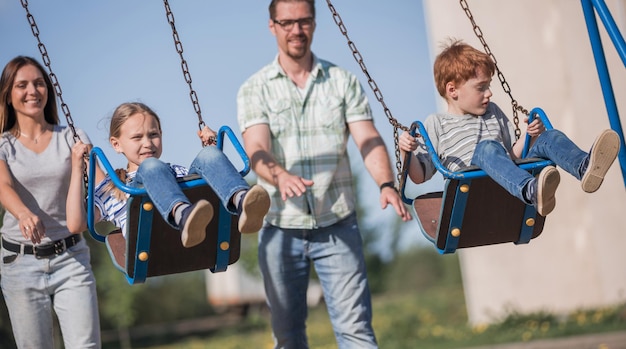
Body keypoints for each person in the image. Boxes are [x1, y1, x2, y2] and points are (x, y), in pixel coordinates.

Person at [237, 1, 412, 347]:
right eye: (287, 23)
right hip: (280, 227)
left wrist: (387, 183)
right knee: (287, 337)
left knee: (356, 330)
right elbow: (257, 151)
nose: (296, 30)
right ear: (272, 26)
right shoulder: (253, 88)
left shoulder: (343, 82)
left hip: (337, 224)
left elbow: (368, 139)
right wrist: (280, 177)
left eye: (303, 22)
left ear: (314, 24)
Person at [399, 39, 620, 216]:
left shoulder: (492, 112)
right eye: (481, 88)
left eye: (489, 86)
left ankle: (583, 166)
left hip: (507, 181)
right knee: (486, 148)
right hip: (472, 193)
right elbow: (419, 177)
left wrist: (528, 137)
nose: (489, 93)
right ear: (453, 90)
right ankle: (531, 190)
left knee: (547, 136)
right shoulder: (436, 124)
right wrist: (405, 151)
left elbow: (510, 156)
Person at [0, 56, 101, 348]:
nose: (32, 91)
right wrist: (22, 213)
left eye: (39, 83)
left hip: (71, 257)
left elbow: (100, 183)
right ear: (8, 94)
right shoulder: (4, 145)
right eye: (22, 85)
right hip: (20, 261)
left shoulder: (72, 136)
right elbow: (3, 185)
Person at [68, 102, 270, 248]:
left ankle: (244, 203)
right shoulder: (113, 190)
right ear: (116, 144)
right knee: (151, 167)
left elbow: (211, 194)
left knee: (208, 155)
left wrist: (214, 150)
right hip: (152, 245)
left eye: (153, 135)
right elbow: (76, 225)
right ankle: (183, 216)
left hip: (199, 241)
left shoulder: (176, 172)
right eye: (137, 137)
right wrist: (78, 169)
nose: (147, 143)